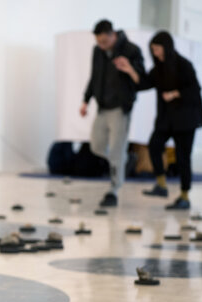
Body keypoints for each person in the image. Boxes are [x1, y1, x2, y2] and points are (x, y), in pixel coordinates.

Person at [116, 30, 202, 210]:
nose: (155, 53)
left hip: (185, 119)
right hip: (166, 118)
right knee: (155, 145)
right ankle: (161, 185)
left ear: (167, 47)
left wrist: (174, 93)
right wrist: (129, 69)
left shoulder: (183, 65)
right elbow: (143, 83)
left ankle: (185, 196)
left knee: (183, 157)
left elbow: (195, 90)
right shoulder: (158, 69)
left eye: (157, 49)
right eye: (153, 50)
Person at [80, 19, 146, 208]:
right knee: (96, 146)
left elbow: (142, 81)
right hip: (103, 107)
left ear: (113, 34)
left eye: (104, 41)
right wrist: (86, 100)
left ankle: (113, 190)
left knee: (116, 150)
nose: (101, 45)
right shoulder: (98, 51)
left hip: (120, 108)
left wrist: (129, 68)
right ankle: (126, 159)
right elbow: (94, 77)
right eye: (98, 42)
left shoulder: (131, 50)